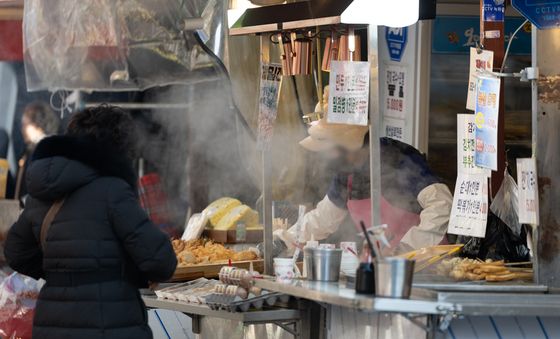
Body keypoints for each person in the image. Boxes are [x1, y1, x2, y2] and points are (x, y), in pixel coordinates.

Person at [4, 105, 177, 339]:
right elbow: (162, 261)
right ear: (118, 149)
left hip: (52, 325)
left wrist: (61, 273)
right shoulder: (113, 190)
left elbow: (15, 251)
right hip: (111, 323)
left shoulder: (42, 195)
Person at [273, 118, 453, 254]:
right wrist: (283, 240)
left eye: (328, 151)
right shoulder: (346, 173)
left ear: (349, 148)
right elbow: (323, 219)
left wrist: (408, 248)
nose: (325, 159)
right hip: (382, 266)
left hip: (426, 264)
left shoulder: (397, 159)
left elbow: (442, 204)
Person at [15, 102, 61, 201]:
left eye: (25, 125)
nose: (22, 129)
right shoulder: (28, 151)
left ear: (38, 125)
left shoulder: (49, 151)